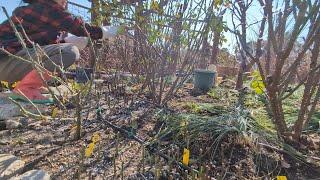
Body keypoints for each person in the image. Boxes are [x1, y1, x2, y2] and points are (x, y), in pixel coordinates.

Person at [0, 0, 123, 104]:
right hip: (6, 62)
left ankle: (32, 85)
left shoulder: (36, 9)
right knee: (69, 51)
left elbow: (35, 45)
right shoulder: (48, 7)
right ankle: (27, 88)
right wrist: (112, 31)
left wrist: (66, 40)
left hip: (8, 63)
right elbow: (83, 29)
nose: (65, 1)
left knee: (66, 48)